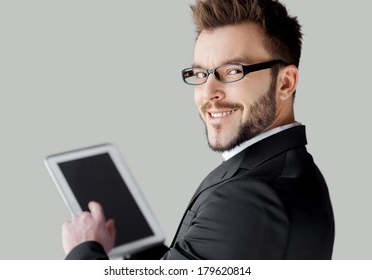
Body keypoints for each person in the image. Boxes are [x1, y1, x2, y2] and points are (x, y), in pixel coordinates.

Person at [62, 0, 335, 260]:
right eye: (200, 74)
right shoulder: (288, 171)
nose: (208, 93)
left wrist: (84, 250)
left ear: (286, 83)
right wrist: (137, 248)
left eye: (231, 71)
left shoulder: (249, 196)